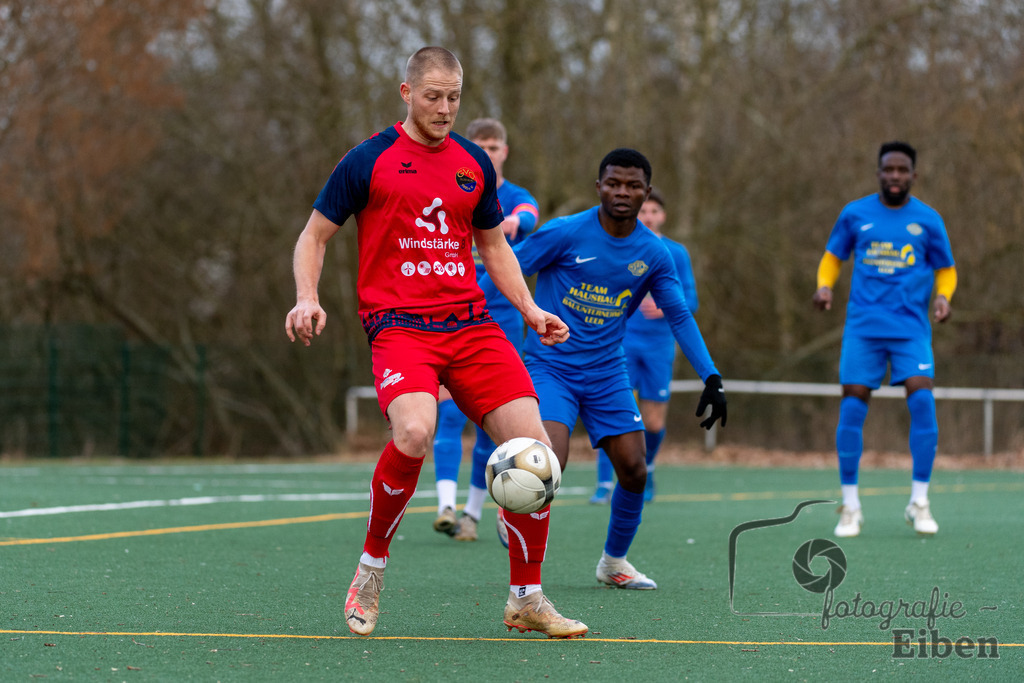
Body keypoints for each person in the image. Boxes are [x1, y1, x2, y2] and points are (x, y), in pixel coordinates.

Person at [285, 47, 587, 639]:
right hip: (399, 326)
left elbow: (494, 246)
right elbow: (313, 236)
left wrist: (530, 310)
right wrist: (306, 297)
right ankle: (371, 569)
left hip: (471, 325)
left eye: (454, 97)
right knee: (415, 432)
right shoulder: (367, 160)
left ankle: (526, 599)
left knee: (536, 450)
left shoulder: (474, 163)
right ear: (406, 93)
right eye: (433, 96)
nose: (445, 108)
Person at [487, 148, 727, 589]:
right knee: (546, 462)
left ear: (646, 193)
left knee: (635, 468)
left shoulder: (654, 253)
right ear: (599, 187)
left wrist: (711, 376)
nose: (622, 192)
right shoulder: (564, 232)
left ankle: (614, 563)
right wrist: (462, 325)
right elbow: (502, 271)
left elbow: (678, 314)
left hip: (607, 372)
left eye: (633, 186)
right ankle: (525, 578)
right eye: (614, 183)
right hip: (551, 366)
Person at [813, 141, 957, 538]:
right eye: (888, 169)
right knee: (852, 406)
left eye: (902, 170)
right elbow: (832, 257)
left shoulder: (928, 220)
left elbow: (947, 269)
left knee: (923, 400)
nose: (895, 176)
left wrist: (944, 297)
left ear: (913, 175)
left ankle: (919, 502)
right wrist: (824, 286)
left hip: (910, 329)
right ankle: (850, 507)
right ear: (878, 173)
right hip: (863, 328)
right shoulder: (854, 214)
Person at [431, 118, 541, 543]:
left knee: (487, 426)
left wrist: (514, 223)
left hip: (501, 323)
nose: (488, 153)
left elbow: (529, 216)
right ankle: (445, 505)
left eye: (494, 147)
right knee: (447, 414)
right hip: (449, 316)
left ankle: (472, 513)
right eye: (480, 146)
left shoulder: (514, 197)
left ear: (504, 152)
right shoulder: (449, 188)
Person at [589, 187, 699, 505]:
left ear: (663, 216)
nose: (648, 216)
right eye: (644, 211)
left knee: (653, 422)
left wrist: (666, 306)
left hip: (659, 347)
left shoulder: (676, 253)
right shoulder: (622, 246)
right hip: (622, 343)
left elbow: (691, 300)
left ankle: (646, 470)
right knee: (613, 412)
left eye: (654, 211)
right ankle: (604, 483)